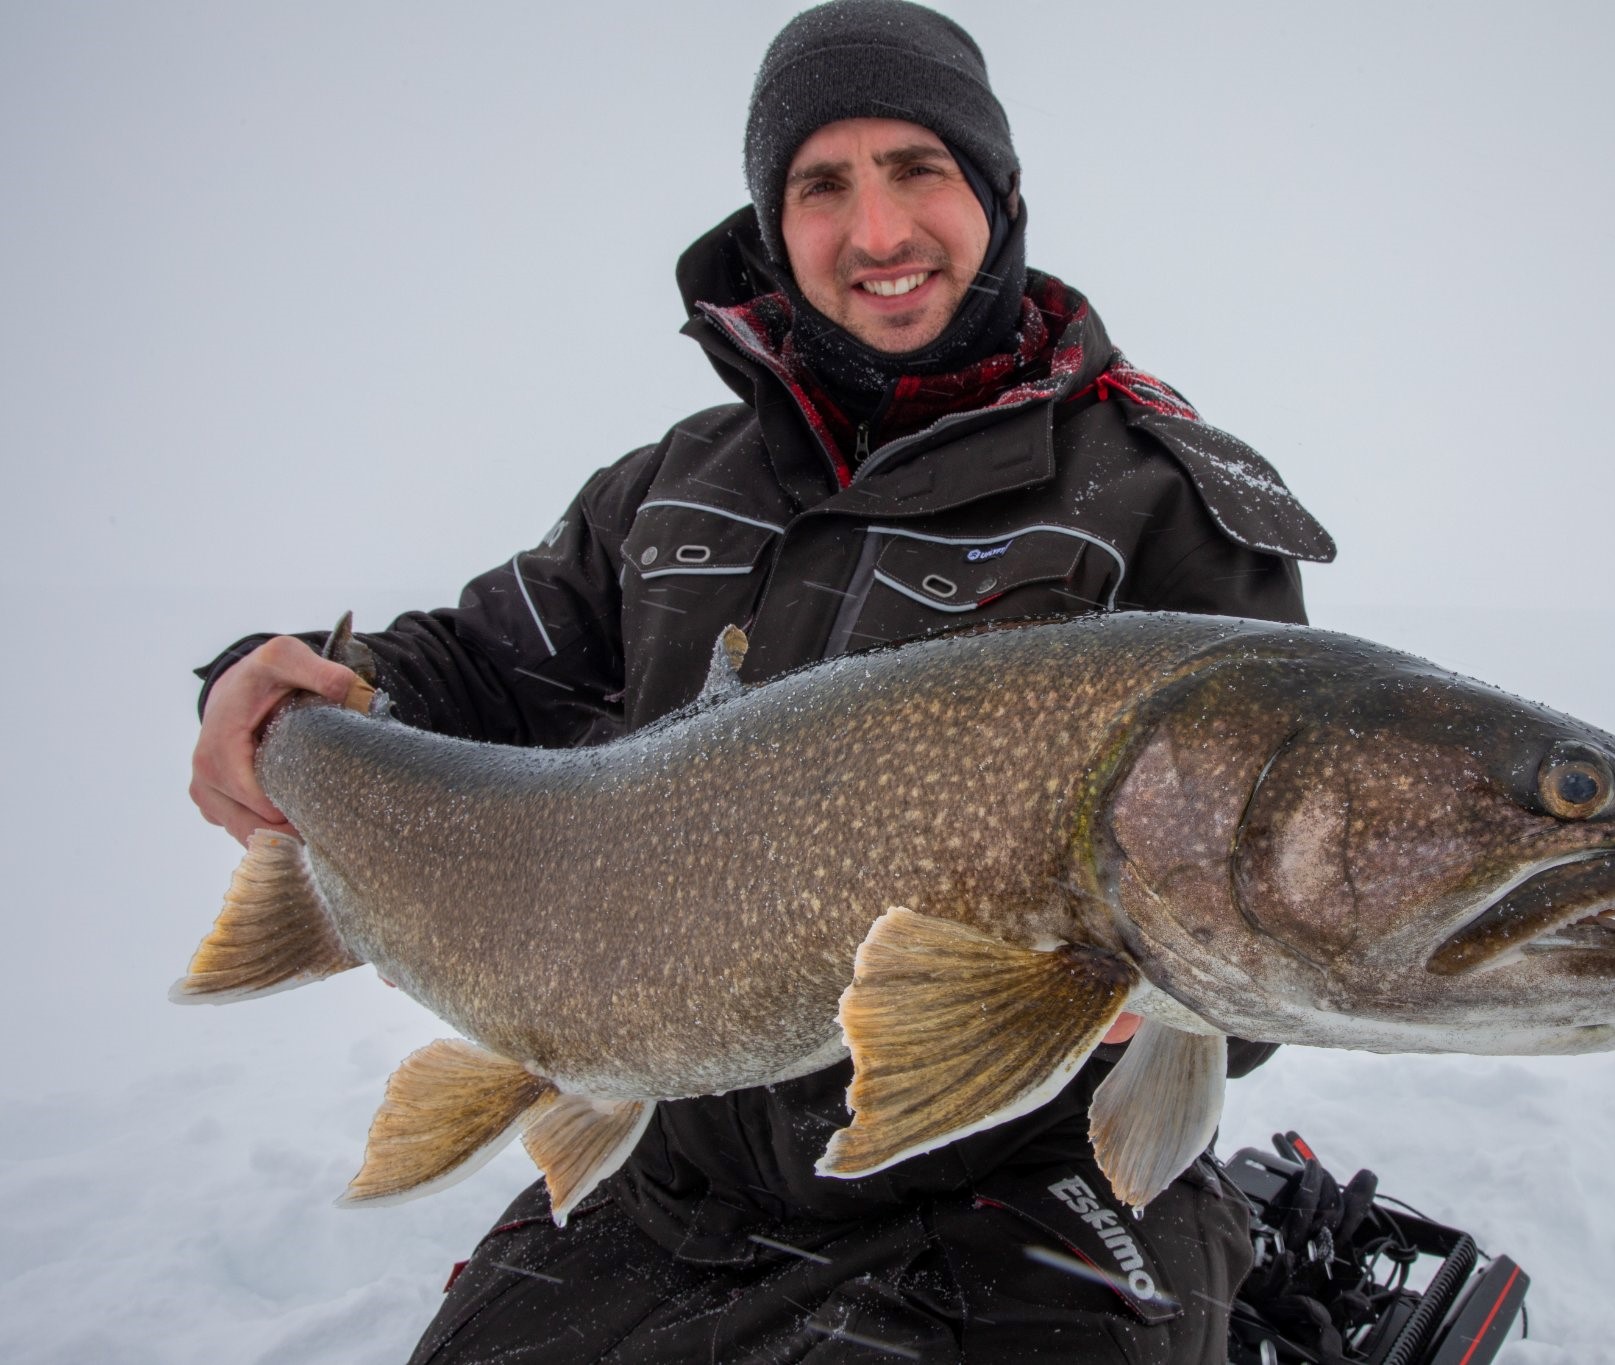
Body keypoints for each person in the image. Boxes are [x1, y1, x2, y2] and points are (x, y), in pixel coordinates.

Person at [189, 3, 1334, 1359]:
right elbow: (466, 671)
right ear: (772, 223)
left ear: (997, 192)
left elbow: (1281, 926)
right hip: (672, 1169)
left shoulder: (1159, 499)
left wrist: (1132, 985)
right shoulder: (674, 481)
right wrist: (271, 694)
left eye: (919, 169)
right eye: (822, 185)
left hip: (1017, 1180)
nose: (880, 232)